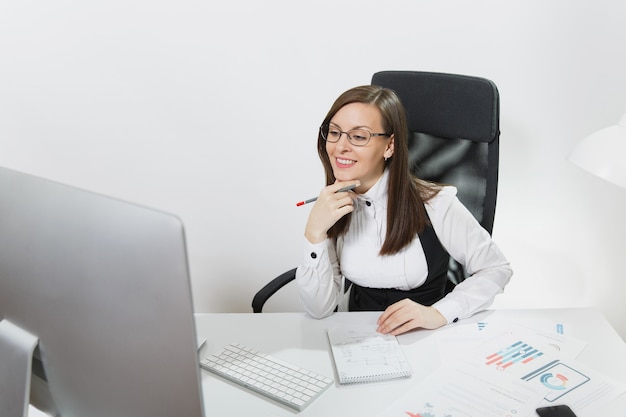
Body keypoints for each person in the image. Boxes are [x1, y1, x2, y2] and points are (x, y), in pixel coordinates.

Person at [295, 85, 512, 336]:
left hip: (426, 337)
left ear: (389, 146)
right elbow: (319, 309)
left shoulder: (435, 203)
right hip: (355, 336)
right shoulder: (331, 206)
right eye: (334, 132)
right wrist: (314, 234)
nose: (340, 146)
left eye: (359, 136)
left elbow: (496, 269)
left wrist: (440, 312)